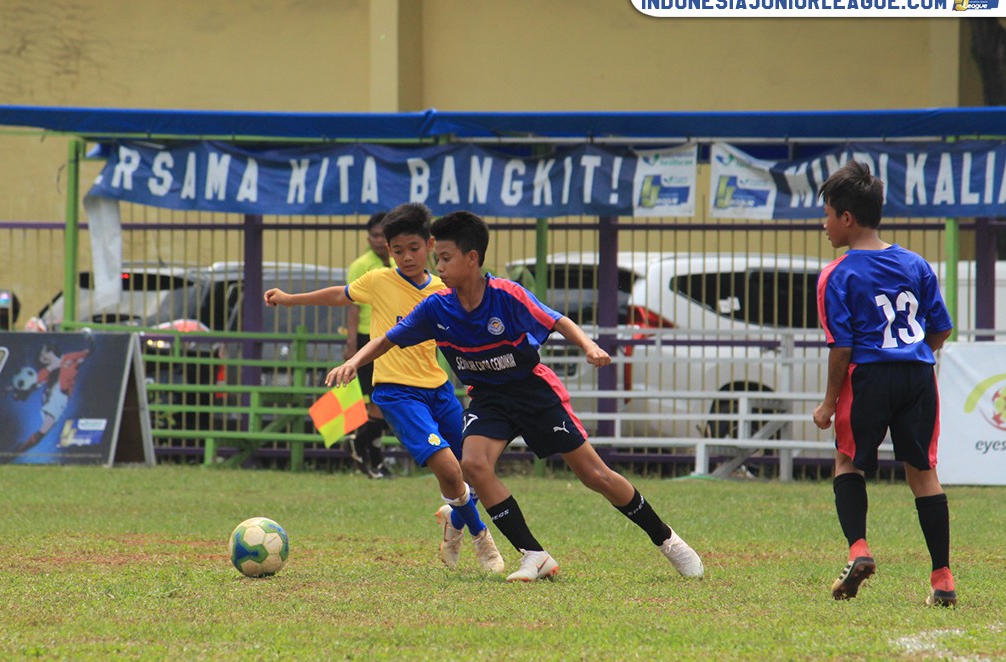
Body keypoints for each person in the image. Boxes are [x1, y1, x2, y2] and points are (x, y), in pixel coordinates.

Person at [326, 210, 704, 583]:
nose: (437, 266)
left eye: (445, 258)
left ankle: (668, 541)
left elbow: (557, 320)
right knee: (473, 465)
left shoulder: (506, 295)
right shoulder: (436, 307)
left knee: (595, 475)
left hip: (532, 392)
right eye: (437, 258)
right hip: (489, 398)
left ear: (471, 258)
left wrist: (589, 347)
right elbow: (387, 339)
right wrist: (354, 363)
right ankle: (533, 555)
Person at [265, 203, 504, 574]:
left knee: (473, 466)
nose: (406, 257)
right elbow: (338, 295)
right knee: (446, 465)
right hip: (396, 391)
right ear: (388, 251)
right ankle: (481, 538)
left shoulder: (444, 289)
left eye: (413, 248)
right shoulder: (378, 280)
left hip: (439, 389)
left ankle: (454, 519)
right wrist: (290, 298)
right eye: (397, 251)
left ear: (429, 245)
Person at [812, 160, 956, 607]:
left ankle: (859, 550)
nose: (825, 224)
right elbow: (941, 329)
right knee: (923, 474)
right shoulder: (915, 264)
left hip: (869, 376)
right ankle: (943, 579)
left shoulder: (837, 274)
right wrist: (913, 357)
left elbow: (842, 346)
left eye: (829, 215)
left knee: (846, 461)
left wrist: (828, 404)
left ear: (847, 219)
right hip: (918, 374)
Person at [345, 212, 393, 478]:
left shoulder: (402, 261)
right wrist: (351, 345)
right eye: (374, 235)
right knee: (377, 400)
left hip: (394, 339)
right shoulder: (361, 265)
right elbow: (352, 307)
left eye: (383, 235)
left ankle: (363, 447)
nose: (379, 240)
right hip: (367, 338)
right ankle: (371, 455)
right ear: (368, 238)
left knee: (385, 402)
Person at [14, 342, 91, 453]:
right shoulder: (47, 370)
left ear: (49, 351)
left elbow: (86, 353)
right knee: (46, 427)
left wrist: (91, 343)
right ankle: (20, 449)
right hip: (54, 398)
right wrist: (20, 393)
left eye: (42, 355)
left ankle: (22, 448)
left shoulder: (69, 359)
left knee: (45, 430)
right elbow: (34, 383)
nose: (41, 359)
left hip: (60, 398)